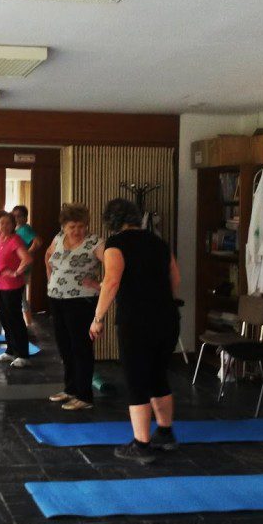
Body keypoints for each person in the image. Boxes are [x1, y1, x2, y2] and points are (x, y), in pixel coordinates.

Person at [89, 198, 181, 464]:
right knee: (158, 375)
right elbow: (175, 279)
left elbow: (111, 281)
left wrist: (97, 318)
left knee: (137, 379)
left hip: (137, 321)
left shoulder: (116, 244)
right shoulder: (159, 242)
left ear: (111, 222)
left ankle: (141, 444)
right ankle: (165, 433)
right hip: (167, 317)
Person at [45, 204, 103, 411]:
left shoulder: (95, 242)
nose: (77, 230)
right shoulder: (58, 238)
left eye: (81, 226)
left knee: (81, 347)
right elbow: (48, 255)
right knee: (64, 346)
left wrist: (99, 285)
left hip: (81, 300)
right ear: (64, 226)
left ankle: (84, 395)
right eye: (72, 227)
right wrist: (51, 279)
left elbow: (115, 267)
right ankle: (70, 389)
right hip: (57, 298)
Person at [0, 211, 33, 368]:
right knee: (5, 319)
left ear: (13, 225)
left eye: (8, 223)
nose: (5, 226)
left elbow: (27, 258)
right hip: (0, 285)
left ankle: (23, 355)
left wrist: (16, 272)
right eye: (2, 223)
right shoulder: (1, 238)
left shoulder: (15, 239)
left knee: (15, 320)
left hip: (12, 286)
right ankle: (10, 350)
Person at [11, 205, 44, 327]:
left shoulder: (25, 229)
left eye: (19, 216)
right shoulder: (16, 230)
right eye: (14, 216)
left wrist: (27, 253)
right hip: (18, 264)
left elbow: (38, 241)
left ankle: (28, 323)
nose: (16, 218)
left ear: (25, 217)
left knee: (21, 294)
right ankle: (25, 322)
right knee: (19, 294)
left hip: (23, 264)